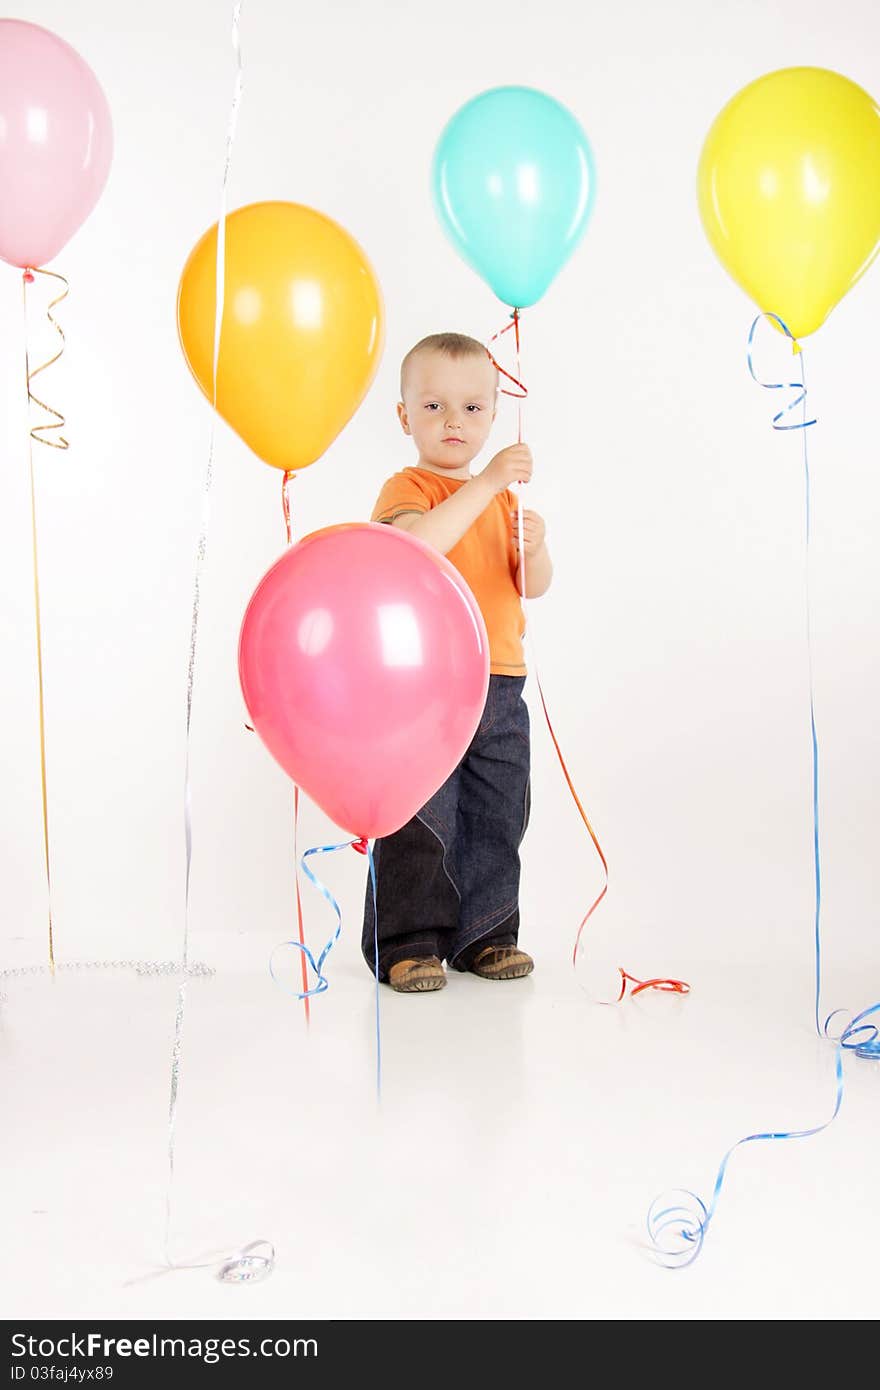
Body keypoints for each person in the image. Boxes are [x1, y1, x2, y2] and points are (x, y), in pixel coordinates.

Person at [362, 332, 553, 993]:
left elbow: (531, 587)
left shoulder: (501, 500)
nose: (454, 422)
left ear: (494, 415)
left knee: (496, 812)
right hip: (428, 685)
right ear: (405, 416)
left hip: (499, 683)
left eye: (473, 409)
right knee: (422, 814)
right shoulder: (407, 487)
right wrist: (493, 479)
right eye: (435, 405)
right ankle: (408, 942)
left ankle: (486, 933)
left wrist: (536, 548)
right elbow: (420, 547)